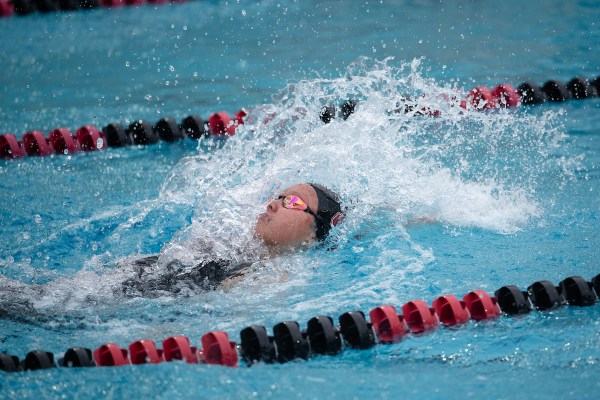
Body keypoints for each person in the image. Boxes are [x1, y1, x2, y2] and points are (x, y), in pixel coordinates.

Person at [119, 183, 344, 296]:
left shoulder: (275, 280)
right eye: (279, 197)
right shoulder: (227, 246)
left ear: (313, 235)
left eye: (292, 201)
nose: (273, 204)